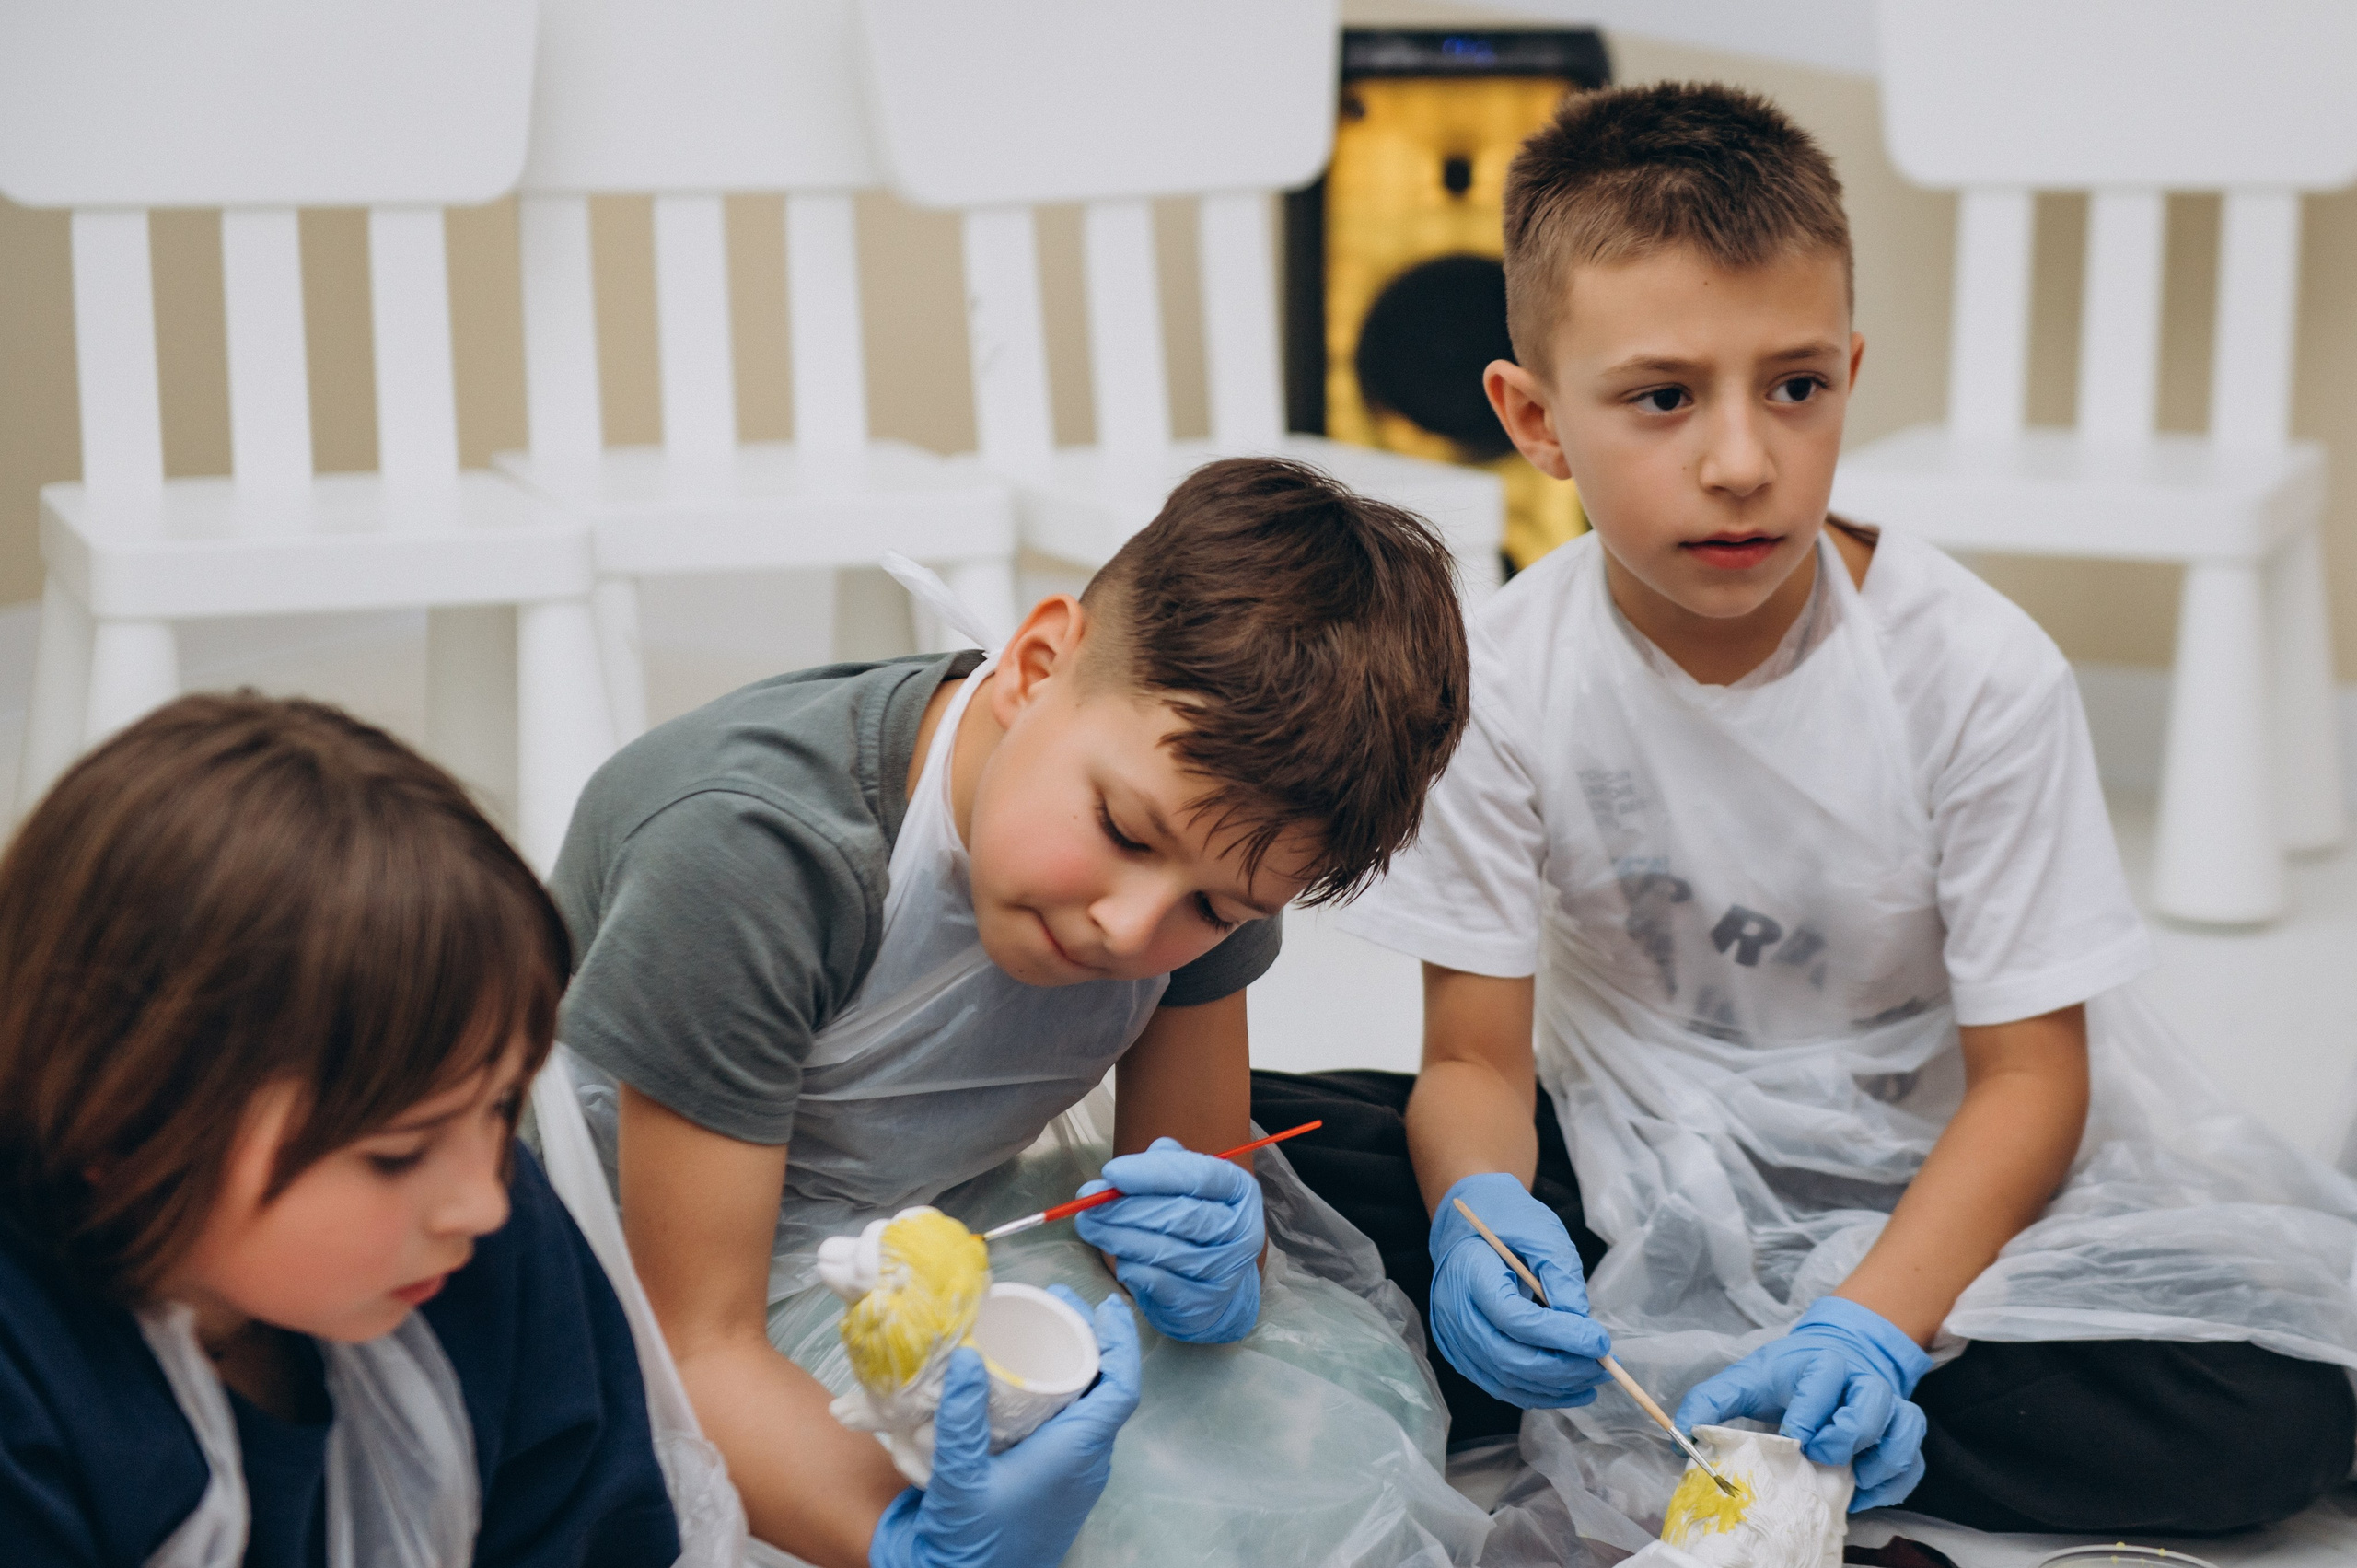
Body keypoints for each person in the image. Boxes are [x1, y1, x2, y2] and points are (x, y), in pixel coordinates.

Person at [1258, 81, 2357, 1540]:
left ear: (1850, 370)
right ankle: (1686, 1380)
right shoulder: (1503, 677)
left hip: (1932, 1181)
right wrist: (1478, 1222)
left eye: (1795, 386)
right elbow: (1472, 1054)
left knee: (2269, 1403)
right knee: (1270, 1161)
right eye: (1663, 397)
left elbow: (2032, 1083)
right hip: (1622, 1149)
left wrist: (1880, 1323)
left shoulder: (1978, 672)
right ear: (1537, 418)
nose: (1740, 459)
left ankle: (1774, 1394)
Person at [549, 456, 1485, 1567]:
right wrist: (913, 1542)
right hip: (653, 1293)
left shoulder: (1220, 848)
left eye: (1215, 906)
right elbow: (696, 1348)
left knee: (1303, 1452)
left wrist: (1218, 1268)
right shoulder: (749, 854)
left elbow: (1187, 1159)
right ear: (1037, 664)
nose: (1132, 928)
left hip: (938, 1219)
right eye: (1125, 832)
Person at [0, 693, 680, 1567]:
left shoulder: (494, 1256)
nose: (481, 1201)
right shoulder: (29, 1378)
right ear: (126, 1118)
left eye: (502, 1104)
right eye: (396, 1154)